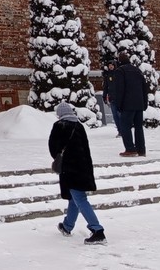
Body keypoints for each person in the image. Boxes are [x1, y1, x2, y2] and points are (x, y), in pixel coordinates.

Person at [49, 102, 106, 245]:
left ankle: (97, 230)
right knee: (74, 198)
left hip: (70, 169)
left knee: (79, 198)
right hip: (84, 167)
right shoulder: (79, 125)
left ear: (60, 114)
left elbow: (53, 148)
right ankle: (67, 226)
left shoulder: (59, 126)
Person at [113, 50, 149, 157]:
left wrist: (118, 104)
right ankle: (141, 149)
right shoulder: (137, 70)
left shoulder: (120, 71)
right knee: (138, 127)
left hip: (127, 104)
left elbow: (120, 89)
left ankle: (130, 148)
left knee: (125, 126)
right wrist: (144, 103)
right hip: (139, 104)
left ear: (119, 62)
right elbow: (144, 87)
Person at [101, 58, 122, 138]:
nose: (110, 67)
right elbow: (106, 87)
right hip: (112, 98)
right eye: (109, 66)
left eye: (112, 65)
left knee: (119, 114)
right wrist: (104, 96)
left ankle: (123, 130)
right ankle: (119, 130)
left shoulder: (118, 74)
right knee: (115, 115)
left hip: (119, 98)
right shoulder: (107, 75)